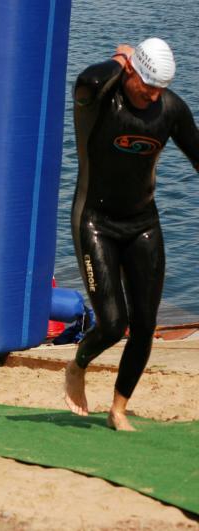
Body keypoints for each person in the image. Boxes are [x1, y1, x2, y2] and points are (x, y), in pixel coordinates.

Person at [65, 38, 199, 430]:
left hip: (143, 224)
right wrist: (119, 57)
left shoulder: (171, 109)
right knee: (111, 324)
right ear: (129, 71)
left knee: (144, 325)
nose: (154, 95)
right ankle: (77, 365)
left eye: (161, 88)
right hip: (94, 221)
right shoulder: (98, 97)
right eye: (148, 85)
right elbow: (88, 78)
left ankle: (118, 408)